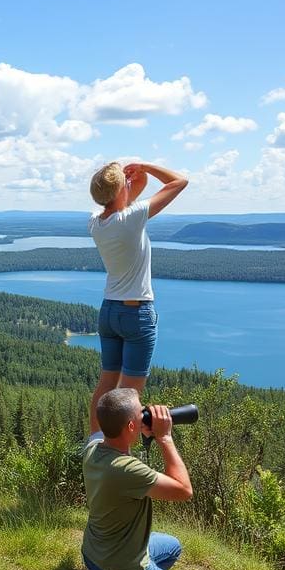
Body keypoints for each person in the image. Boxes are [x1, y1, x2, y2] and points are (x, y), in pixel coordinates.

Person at [82, 388, 205, 570]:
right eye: (142, 413)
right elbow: (184, 490)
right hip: (122, 566)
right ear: (130, 427)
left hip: (92, 555)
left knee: (173, 546)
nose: (146, 414)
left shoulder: (93, 448)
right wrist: (165, 438)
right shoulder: (126, 470)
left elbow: (117, 445)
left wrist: (137, 428)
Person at [87, 162, 188, 438]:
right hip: (136, 315)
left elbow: (123, 200)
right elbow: (179, 181)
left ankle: (96, 443)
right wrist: (145, 166)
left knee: (106, 384)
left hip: (109, 313)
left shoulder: (96, 222)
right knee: (129, 396)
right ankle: (120, 452)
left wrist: (129, 183)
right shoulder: (130, 219)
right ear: (121, 191)